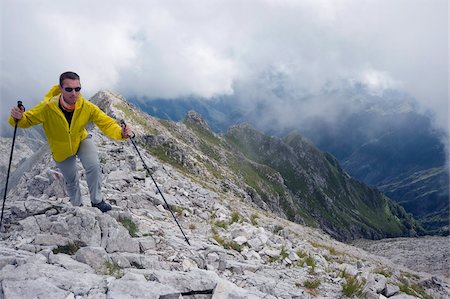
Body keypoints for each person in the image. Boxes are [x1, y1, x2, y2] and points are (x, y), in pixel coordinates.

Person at [8, 71, 133, 212]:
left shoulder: (86, 106)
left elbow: (106, 123)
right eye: (69, 89)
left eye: (77, 89)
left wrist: (121, 133)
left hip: (81, 139)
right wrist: (17, 117)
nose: (74, 93)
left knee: (94, 166)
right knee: (71, 179)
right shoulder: (47, 107)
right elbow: (26, 120)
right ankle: (77, 206)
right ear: (61, 89)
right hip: (61, 149)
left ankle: (97, 201)